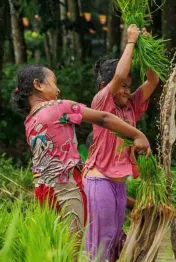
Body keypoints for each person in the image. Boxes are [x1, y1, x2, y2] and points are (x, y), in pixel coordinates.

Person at [13, 64, 150, 240]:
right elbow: (104, 117)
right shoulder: (58, 107)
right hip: (66, 190)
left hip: (43, 190)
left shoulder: (30, 120)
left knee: (57, 244)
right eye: (54, 82)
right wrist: (137, 134)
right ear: (38, 85)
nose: (58, 89)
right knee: (74, 246)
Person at [84, 24, 160, 262]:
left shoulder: (131, 105)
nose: (127, 90)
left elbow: (153, 80)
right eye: (123, 87)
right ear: (105, 87)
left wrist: (145, 48)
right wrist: (130, 43)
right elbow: (117, 77)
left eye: (129, 86)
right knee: (100, 241)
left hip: (119, 184)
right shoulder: (101, 102)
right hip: (100, 181)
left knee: (116, 238)